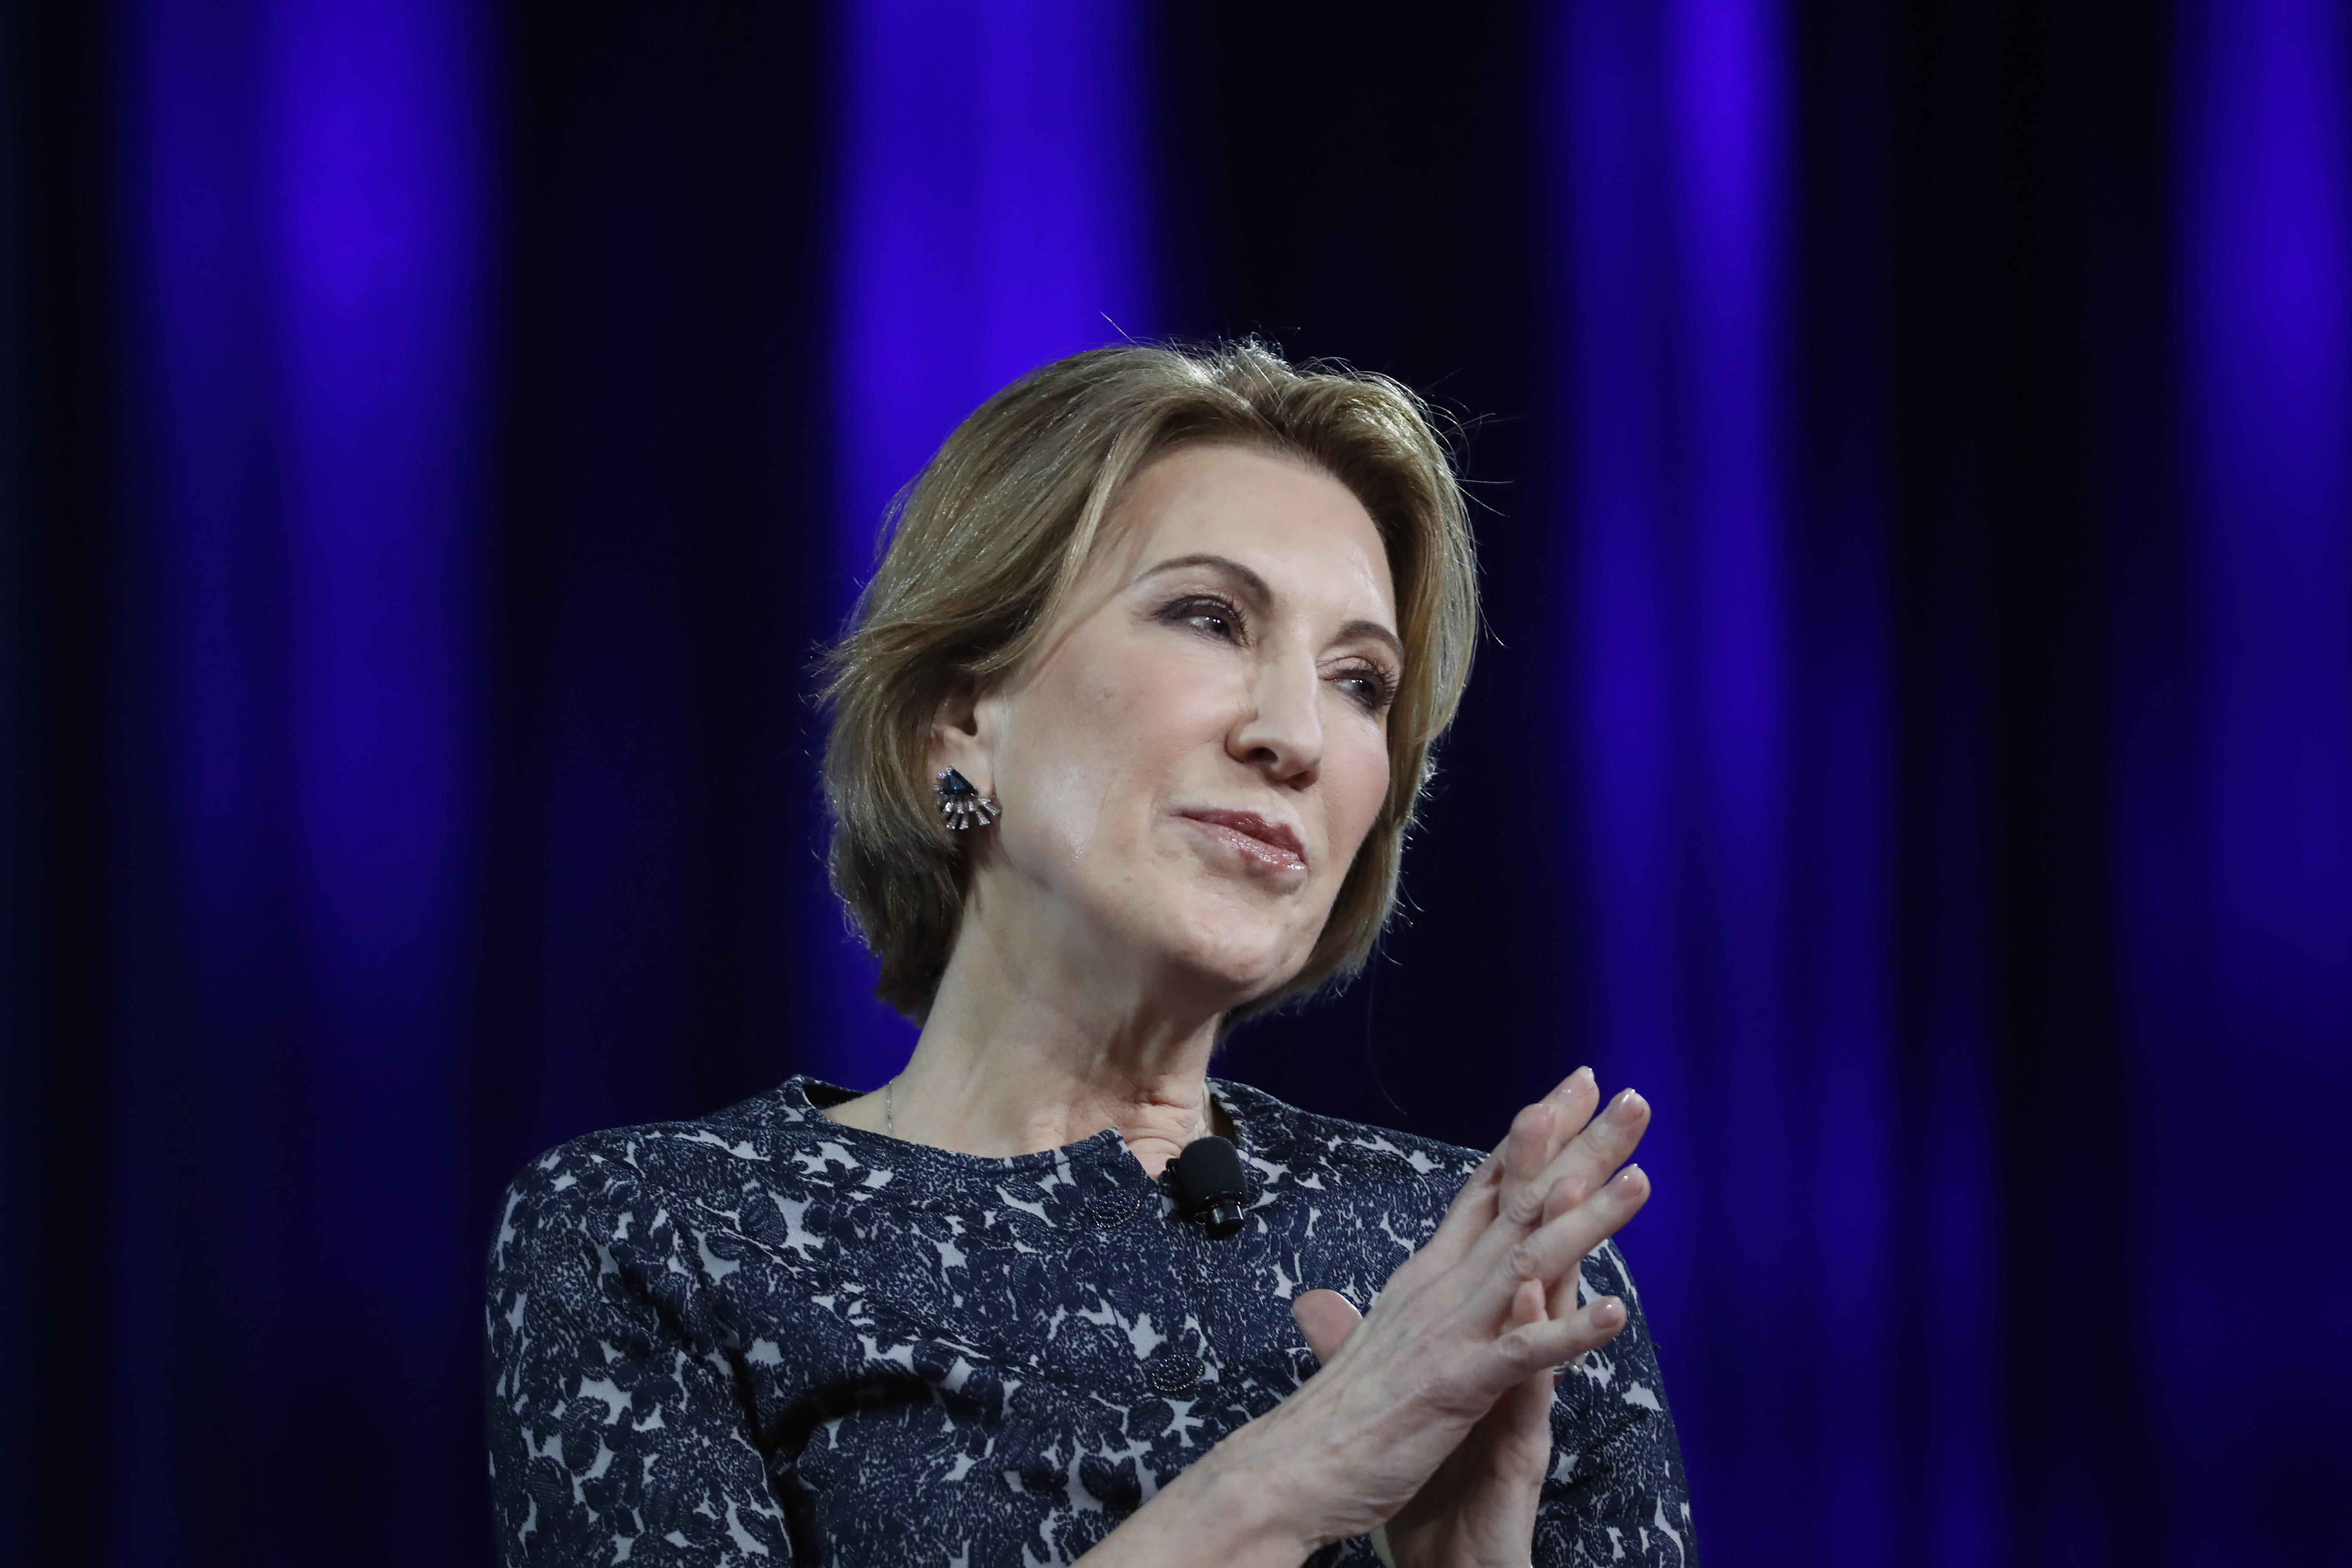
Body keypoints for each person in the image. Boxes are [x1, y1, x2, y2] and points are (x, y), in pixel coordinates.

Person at [485, 343, 1697, 1566]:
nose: (1296, 737)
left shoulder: (1493, 1277)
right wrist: (1291, 1479)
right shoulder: (659, 1238)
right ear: (964, 723)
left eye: (1361, 684)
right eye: (1210, 618)